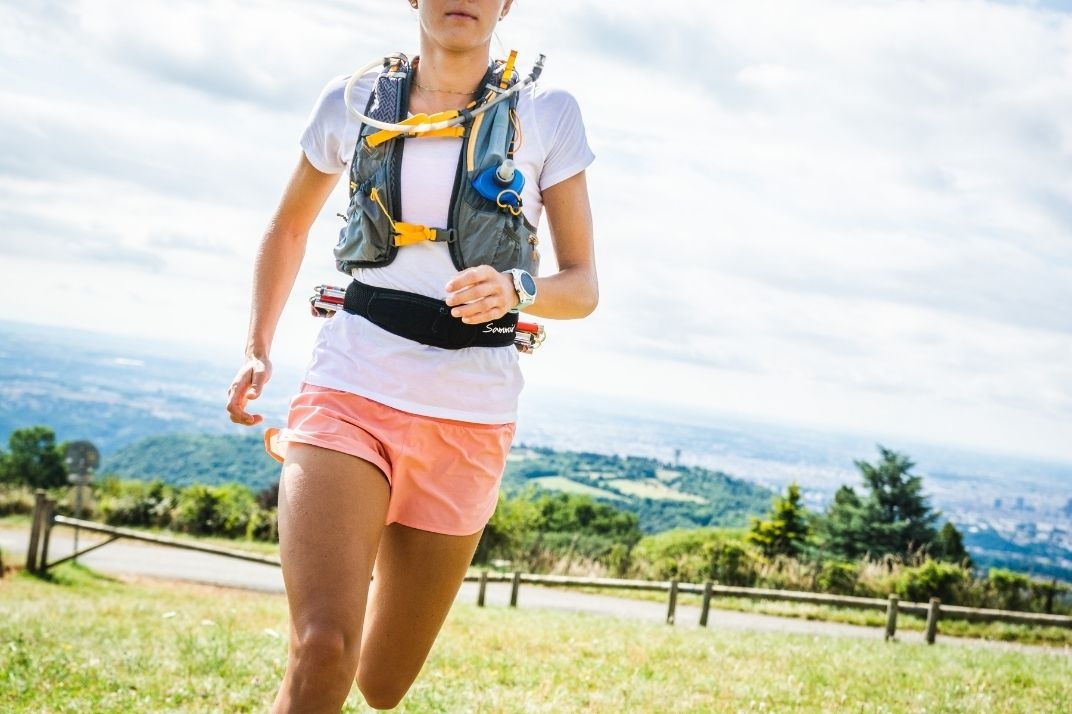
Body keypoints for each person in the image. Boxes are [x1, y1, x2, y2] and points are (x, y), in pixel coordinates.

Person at [225, 0, 597, 711]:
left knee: (383, 682)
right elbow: (289, 227)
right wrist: (256, 348)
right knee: (324, 646)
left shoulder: (548, 112)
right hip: (352, 386)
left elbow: (582, 287)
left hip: (469, 416)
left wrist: (518, 287)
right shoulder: (355, 100)